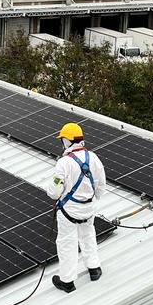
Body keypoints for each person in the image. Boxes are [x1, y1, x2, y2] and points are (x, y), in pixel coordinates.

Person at [45, 121, 106, 293]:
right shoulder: (94, 158)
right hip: (89, 210)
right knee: (88, 236)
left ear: (67, 141)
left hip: (69, 212)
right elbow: (101, 186)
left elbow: (55, 192)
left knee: (67, 243)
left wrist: (51, 189)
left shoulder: (64, 163)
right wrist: (92, 200)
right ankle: (94, 268)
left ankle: (67, 281)